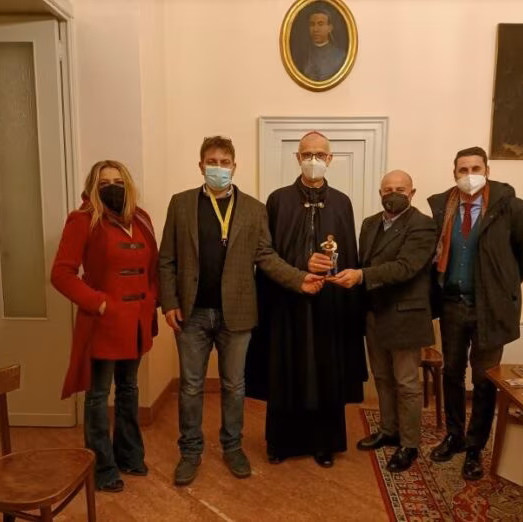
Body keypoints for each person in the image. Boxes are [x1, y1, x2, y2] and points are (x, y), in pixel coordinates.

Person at [157, 136, 323, 486]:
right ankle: (190, 451)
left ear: (234, 166)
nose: (218, 168)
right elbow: (167, 258)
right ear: (200, 165)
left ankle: (232, 447)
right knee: (191, 386)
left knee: (234, 386)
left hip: (237, 314)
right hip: (191, 313)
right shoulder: (181, 204)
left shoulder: (253, 208)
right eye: (212, 162)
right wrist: (169, 302)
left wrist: (299, 279)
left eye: (225, 162)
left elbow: (266, 256)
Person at [245, 131, 367, 468]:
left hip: (329, 305)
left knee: (325, 369)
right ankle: (282, 442)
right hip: (287, 302)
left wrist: (336, 273)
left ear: (330, 159)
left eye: (320, 154)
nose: (314, 160)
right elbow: (268, 253)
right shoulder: (278, 200)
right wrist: (302, 266)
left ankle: (324, 443)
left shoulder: (342, 202)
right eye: (307, 154)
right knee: (287, 368)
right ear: (297, 158)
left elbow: (348, 252)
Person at [428, 146, 523, 480]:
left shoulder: (511, 207)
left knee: (483, 378)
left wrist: (502, 286)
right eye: (462, 170)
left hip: (489, 307)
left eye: (475, 168)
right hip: (452, 303)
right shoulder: (442, 207)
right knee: (452, 372)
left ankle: (475, 447)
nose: (469, 175)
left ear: (487, 170)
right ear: (454, 174)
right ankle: (454, 435)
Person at [51, 160, 159, 493]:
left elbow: (152, 269)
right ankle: (102, 467)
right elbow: (61, 273)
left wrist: (150, 301)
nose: (112, 187)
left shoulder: (141, 218)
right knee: (98, 396)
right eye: (104, 183)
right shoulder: (82, 220)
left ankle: (129, 455)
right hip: (103, 324)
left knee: (128, 388)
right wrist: (98, 302)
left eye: (117, 181)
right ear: (92, 188)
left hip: (136, 323)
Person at [332, 170, 437, 472]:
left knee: (407, 383)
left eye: (400, 189)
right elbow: (362, 261)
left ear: (412, 193)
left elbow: (405, 267)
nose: (393, 194)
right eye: (388, 189)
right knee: (381, 377)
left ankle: (409, 444)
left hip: (405, 315)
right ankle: (389, 430)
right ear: (380, 193)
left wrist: (361, 276)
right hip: (374, 313)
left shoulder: (423, 225)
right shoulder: (369, 224)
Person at [299, 6, 346, 81]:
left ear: (330, 28)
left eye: (320, 24)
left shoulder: (340, 56)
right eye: (312, 24)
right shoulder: (301, 56)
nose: (315, 29)